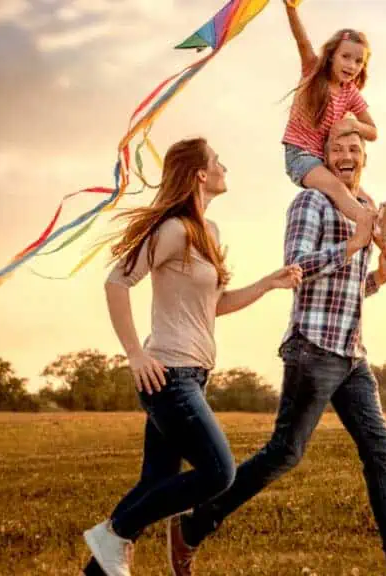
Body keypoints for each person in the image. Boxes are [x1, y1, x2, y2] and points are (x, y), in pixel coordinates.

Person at [166, 129, 386, 576]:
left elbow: (351, 290)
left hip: (351, 353)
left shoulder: (365, 209)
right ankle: (193, 526)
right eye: (337, 150)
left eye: (354, 149)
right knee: (285, 452)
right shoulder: (311, 203)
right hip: (313, 349)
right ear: (323, 160)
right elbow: (297, 266)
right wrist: (354, 244)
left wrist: (381, 276)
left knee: (380, 450)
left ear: (364, 158)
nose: (347, 156)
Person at [79, 137, 303, 576]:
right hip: (168, 375)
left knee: (156, 483)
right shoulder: (173, 229)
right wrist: (135, 353)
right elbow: (117, 282)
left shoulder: (208, 233)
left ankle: (100, 561)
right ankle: (115, 532)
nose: (224, 166)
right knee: (219, 473)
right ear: (201, 174)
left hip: (193, 375)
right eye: (218, 160)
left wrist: (267, 284)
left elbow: (214, 305)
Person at [280, 0, 386, 284]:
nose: (352, 65)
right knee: (343, 193)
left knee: (365, 199)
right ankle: (370, 222)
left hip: (324, 158)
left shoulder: (350, 93)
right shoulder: (313, 73)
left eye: (358, 61)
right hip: (301, 156)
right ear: (331, 56)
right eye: (346, 57)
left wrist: (353, 124)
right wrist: (291, 9)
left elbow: (373, 131)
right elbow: (301, 40)